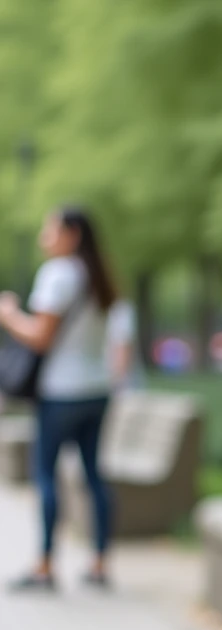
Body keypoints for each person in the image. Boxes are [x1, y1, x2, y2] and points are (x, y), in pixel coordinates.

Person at [0, 207, 118, 591]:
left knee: (46, 476)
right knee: (94, 475)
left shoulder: (58, 274)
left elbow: (41, 337)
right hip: (97, 389)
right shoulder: (99, 276)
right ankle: (99, 562)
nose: (43, 237)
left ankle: (45, 566)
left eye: (50, 230)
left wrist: (9, 315)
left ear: (72, 234)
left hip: (61, 392)